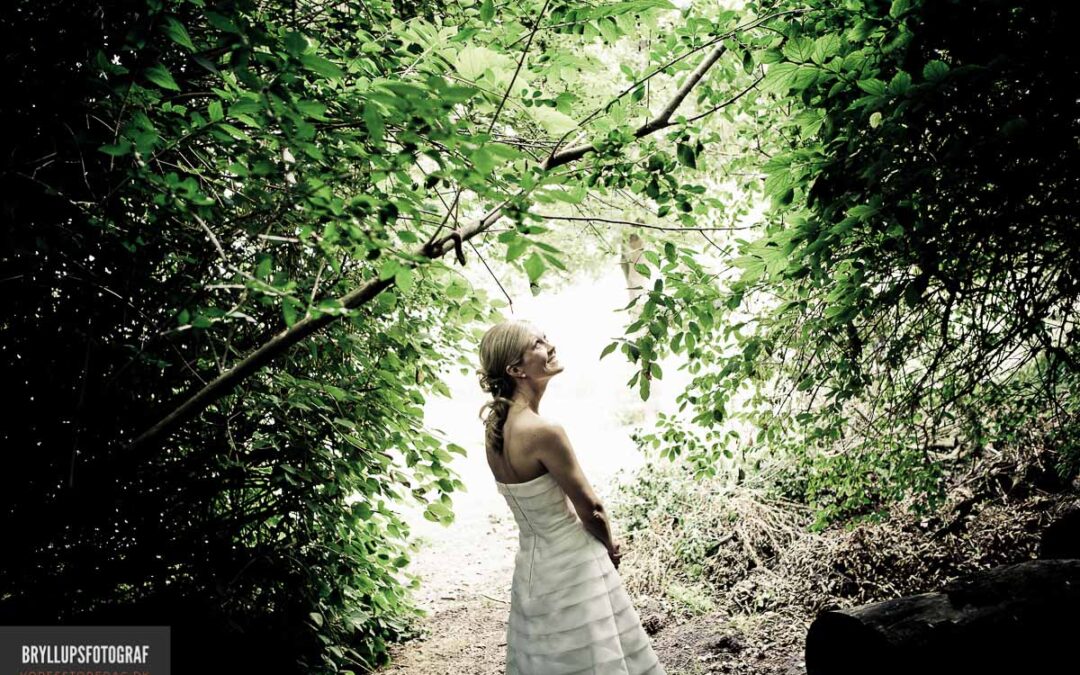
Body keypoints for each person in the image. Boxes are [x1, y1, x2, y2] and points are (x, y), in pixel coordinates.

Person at [477, 319, 666, 674]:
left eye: (545, 338)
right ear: (516, 370)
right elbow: (591, 508)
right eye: (537, 344)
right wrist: (609, 546)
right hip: (575, 565)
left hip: (532, 570)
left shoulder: (495, 431)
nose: (550, 346)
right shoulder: (544, 431)